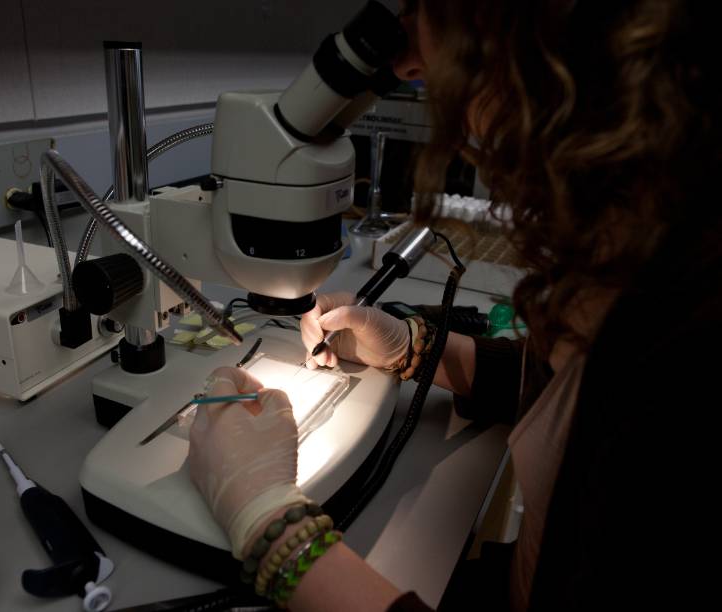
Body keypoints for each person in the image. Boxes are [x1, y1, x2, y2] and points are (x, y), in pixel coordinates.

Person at [189, 0, 718, 609]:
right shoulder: (643, 251)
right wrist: (416, 349)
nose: (410, 59)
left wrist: (270, 525)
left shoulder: (694, 340)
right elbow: (572, 399)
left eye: (429, 12)